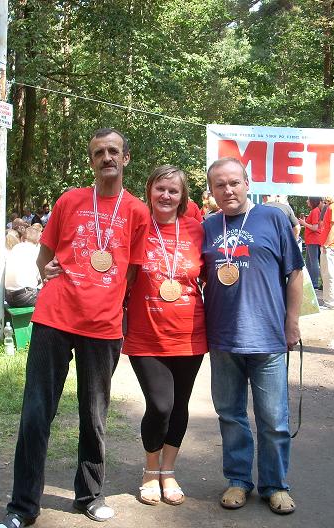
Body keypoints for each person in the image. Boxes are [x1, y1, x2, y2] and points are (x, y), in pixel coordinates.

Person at [0, 128, 149, 528]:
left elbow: (131, 271)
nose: (106, 157)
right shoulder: (70, 200)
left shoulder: (137, 211)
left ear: (125, 158)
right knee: (36, 412)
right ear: (92, 161)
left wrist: (105, 295)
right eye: (98, 152)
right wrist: (53, 275)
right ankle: (22, 507)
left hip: (103, 325)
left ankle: (89, 495)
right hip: (55, 318)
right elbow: (46, 255)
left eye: (113, 151)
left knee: (94, 415)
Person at [202, 157, 303, 515]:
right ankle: (238, 480)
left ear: (247, 183)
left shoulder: (273, 218)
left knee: (273, 419)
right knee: (230, 415)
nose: (228, 190)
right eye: (219, 185)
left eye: (234, 182)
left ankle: (276, 485)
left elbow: (294, 273)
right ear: (211, 190)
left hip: (267, 335)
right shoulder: (208, 226)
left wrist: (292, 322)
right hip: (223, 337)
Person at [122, 165, 207, 506]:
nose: (166, 195)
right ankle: (150, 470)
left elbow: (217, 273)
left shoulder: (197, 230)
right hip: (146, 334)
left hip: (190, 333)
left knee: (180, 405)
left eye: (174, 190)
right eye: (160, 188)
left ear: (182, 196)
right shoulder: (137, 227)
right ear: (150, 191)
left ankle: (168, 471)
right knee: (160, 405)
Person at [4, 225, 42, 308]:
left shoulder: (16, 248)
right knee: (52, 296)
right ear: (38, 240)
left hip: (9, 297)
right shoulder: (36, 250)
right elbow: (41, 277)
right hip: (26, 296)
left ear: (22, 238)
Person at [299, 197, 323, 289]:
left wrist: (304, 223)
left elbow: (315, 227)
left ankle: (314, 283)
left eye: (308, 200)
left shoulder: (315, 211)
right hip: (311, 240)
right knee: (309, 262)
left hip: (314, 240)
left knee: (313, 262)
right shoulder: (314, 211)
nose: (307, 201)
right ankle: (310, 282)